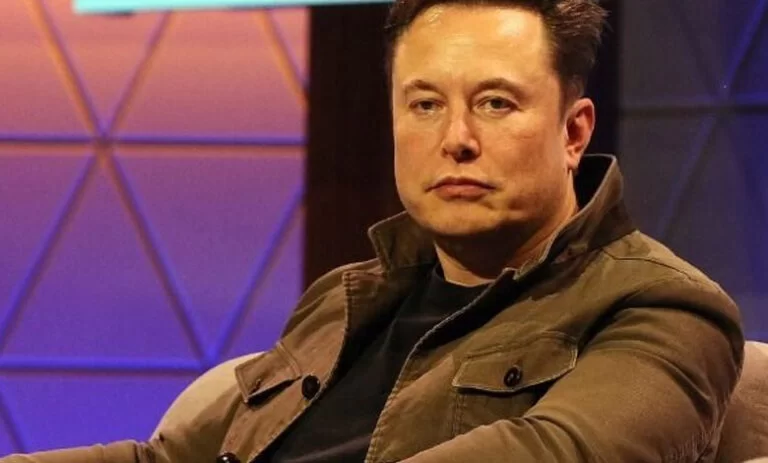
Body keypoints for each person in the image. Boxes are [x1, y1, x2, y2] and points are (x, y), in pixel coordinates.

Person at [2, 0, 744, 462]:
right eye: (425, 105)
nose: (455, 139)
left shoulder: (664, 307)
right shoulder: (345, 297)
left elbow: (554, 454)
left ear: (573, 132)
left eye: (495, 103)